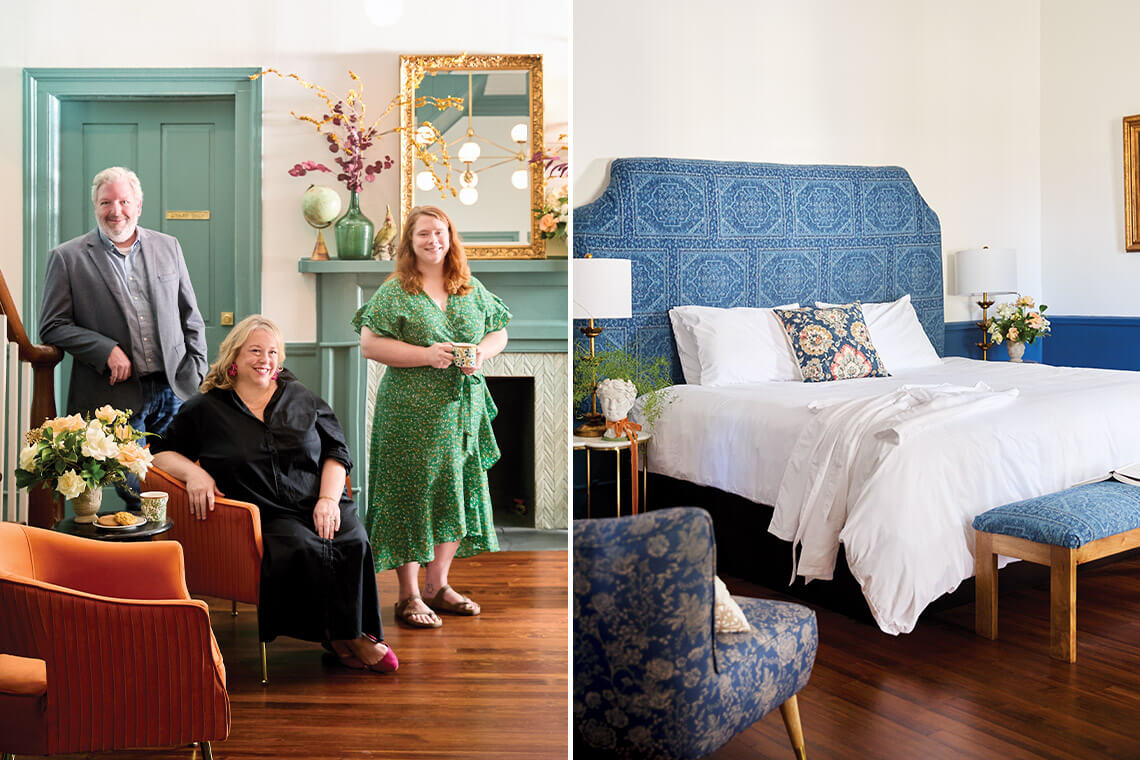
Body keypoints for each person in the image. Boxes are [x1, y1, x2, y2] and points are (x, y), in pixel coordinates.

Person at [150, 315, 396, 672]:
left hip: (319, 499)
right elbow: (160, 451)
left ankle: (342, 633)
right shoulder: (206, 408)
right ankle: (351, 636)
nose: (265, 359)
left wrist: (328, 500)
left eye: (272, 352)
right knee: (301, 547)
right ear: (234, 356)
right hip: (265, 511)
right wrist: (194, 473)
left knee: (352, 541)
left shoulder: (303, 398)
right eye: (255, 350)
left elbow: (337, 453)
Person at [354, 205, 510, 628]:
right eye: (423, 234)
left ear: (450, 237)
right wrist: (426, 355)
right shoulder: (396, 290)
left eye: (439, 233)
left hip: (462, 412)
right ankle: (407, 595)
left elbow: (500, 330)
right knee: (410, 495)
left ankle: (437, 586)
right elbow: (370, 345)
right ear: (410, 241)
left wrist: (482, 351)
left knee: (454, 490)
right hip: (408, 411)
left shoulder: (469, 287)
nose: (433, 241)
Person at [39, 166, 208, 506]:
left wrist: (198, 371)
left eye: (123, 201)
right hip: (113, 399)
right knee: (137, 491)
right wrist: (106, 350)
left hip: (174, 389)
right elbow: (52, 325)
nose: (116, 211)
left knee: (179, 484)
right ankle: (146, 556)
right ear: (96, 207)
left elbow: (190, 315)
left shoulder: (168, 246)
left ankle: (172, 554)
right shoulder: (68, 257)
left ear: (139, 205)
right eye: (106, 203)